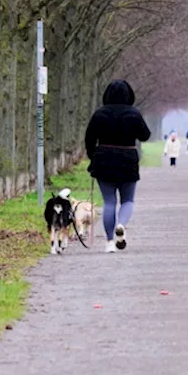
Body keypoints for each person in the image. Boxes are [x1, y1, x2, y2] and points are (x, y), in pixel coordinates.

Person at [84, 80, 151, 252]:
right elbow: (145, 136)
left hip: (104, 159)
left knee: (109, 202)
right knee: (128, 200)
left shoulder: (99, 114)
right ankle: (121, 224)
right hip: (128, 159)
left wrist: (93, 157)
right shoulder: (134, 114)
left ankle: (109, 242)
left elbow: (89, 139)